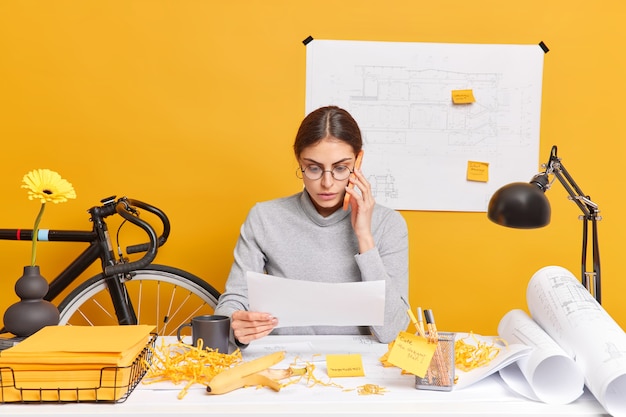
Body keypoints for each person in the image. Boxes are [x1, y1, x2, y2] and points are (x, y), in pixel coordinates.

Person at [214, 105, 409, 348]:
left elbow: (392, 330)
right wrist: (234, 323)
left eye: (340, 168)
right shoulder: (265, 217)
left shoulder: (389, 224)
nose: (327, 183)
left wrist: (364, 237)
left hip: (361, 367)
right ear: (299, 161)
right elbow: (233, 300)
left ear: (358, 161)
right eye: (314, 168)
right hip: (284, 361)